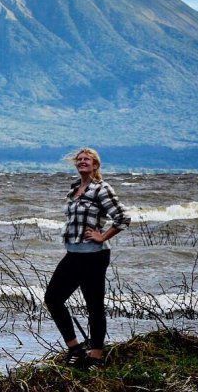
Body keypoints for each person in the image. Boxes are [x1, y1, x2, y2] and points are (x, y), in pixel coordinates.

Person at [44, 147, 131, 370]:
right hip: (73, 254)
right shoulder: (74, 189)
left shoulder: (101, 189)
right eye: (79, 159)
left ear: (95, 165)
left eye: (87, 160)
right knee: (53, 299)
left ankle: (96, 357)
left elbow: (122, 218)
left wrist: (102, 236)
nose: (82, 162)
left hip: (94, 256)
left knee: (94, 306)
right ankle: (75, 349)